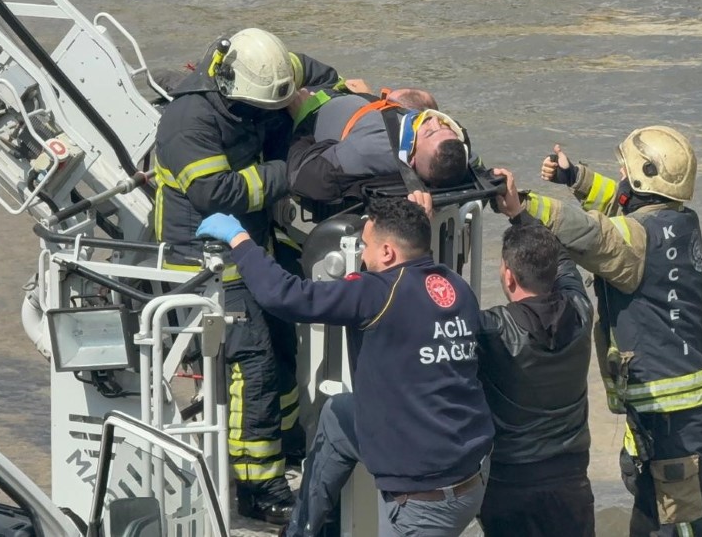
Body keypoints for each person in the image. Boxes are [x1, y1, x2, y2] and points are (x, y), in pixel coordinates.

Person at [195, 197, 494, 537]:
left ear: (387, 254)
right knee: (339, 414)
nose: (362, 255)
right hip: (470, 469)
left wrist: (240, 240)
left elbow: (286, 296)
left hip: (422, 502)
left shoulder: (376, 293)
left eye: (367, 246)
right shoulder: (456, 288)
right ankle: (302, 529)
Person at [152, 27, 342, 524]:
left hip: (252, 247)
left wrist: (336, 104)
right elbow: (218, 194)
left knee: (283, 347)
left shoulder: (268, 68)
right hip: (203, 260)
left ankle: (286, 446)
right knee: (252, 364)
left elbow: (323, 75)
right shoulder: (188, 120)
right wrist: (291, 170)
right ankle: (259, 487)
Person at [519, 126, 702, 537]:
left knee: (685, 525)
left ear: (642, 177)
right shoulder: (678, 220)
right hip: (675, 407)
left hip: (670, 414)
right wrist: (574, 177)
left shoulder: (632, 242)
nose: (619, 171)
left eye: (625, 169)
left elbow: (591, 232)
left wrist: (520, 204)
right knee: (654, 511)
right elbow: (620, 203)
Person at [476, 168, 595, 537]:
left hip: (510, 484)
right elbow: (560, 258)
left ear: (508, 277)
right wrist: (518, 214)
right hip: (571, 479)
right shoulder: (581, 309)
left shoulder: (492, 330)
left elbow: (433, 315)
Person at [285, 89, 473, 206]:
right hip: (365, 102)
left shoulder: (368, 150)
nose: (434, 120)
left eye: (429, 132)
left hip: (318, 105)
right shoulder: (453, 153)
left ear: (411, 158)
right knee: (423, 99)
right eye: (445, 126)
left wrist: (303, 115)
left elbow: (299, 174)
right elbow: (474, 164)